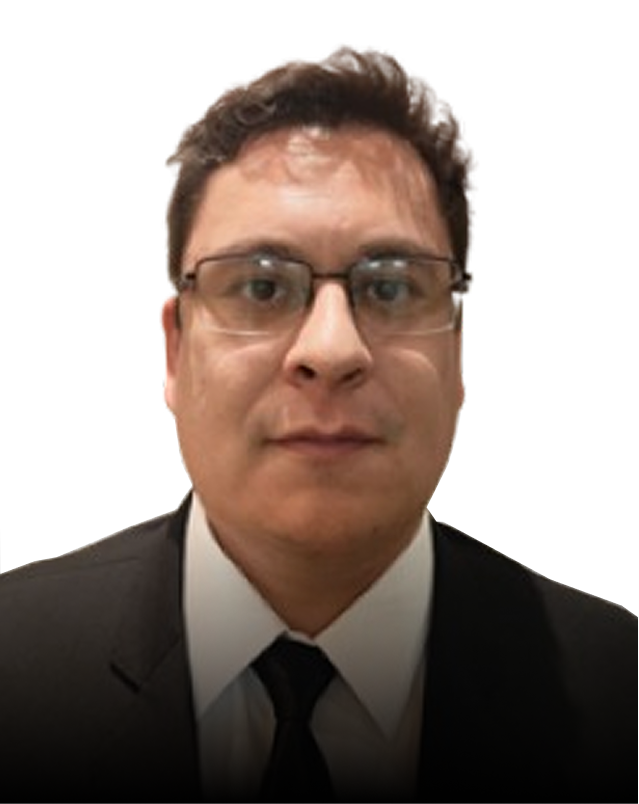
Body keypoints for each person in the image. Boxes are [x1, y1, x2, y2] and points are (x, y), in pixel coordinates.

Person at [0, 48, 635, 802]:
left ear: (457, 350)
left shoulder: (615, 693)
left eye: (391, 288)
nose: (331, 350)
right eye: (261, 287)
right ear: (175, 350)